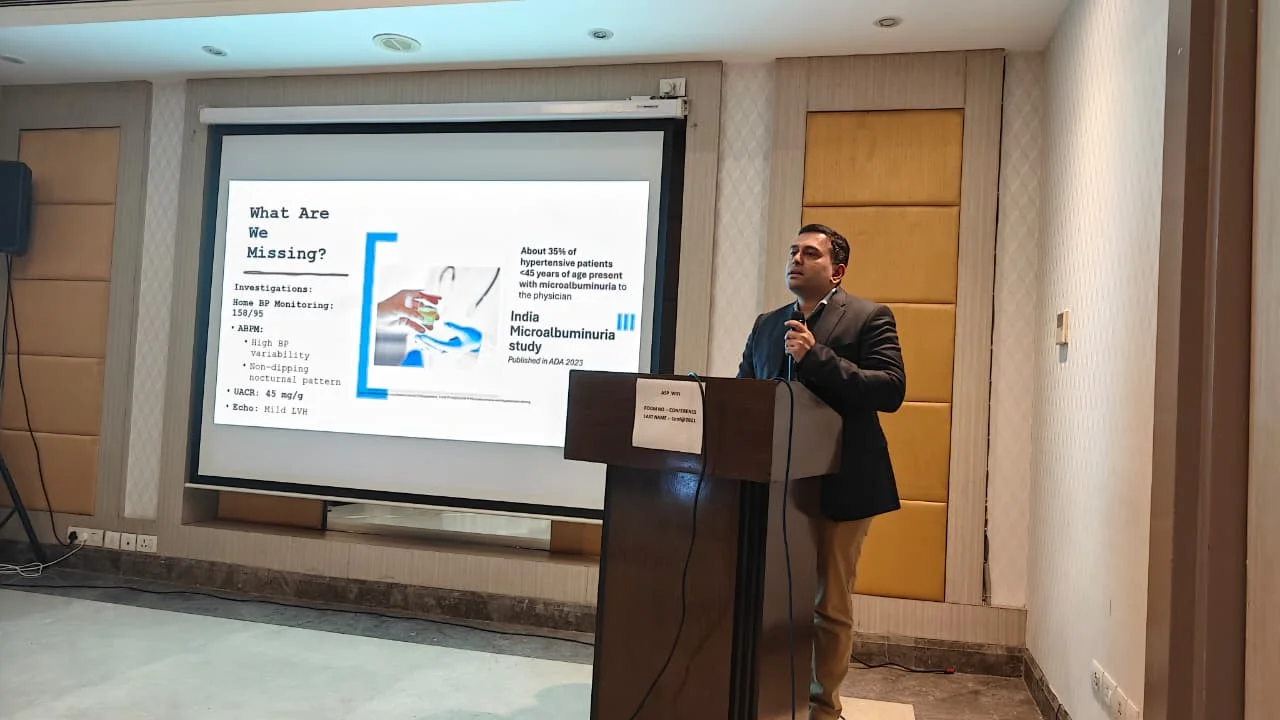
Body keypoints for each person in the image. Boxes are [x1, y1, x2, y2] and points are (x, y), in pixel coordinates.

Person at [736, 223, 906, 720]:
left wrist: (817, 358)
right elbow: (744, 393)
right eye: (793, 251)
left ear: (837, 271)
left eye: (810, 253)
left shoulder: (869, 317)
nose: (796, 259)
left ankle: (822, 709)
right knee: (771, 598)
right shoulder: (768, 324)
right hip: (775, 488)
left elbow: (890, 389)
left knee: (828, 604)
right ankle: (772, 697)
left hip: (843, 482)